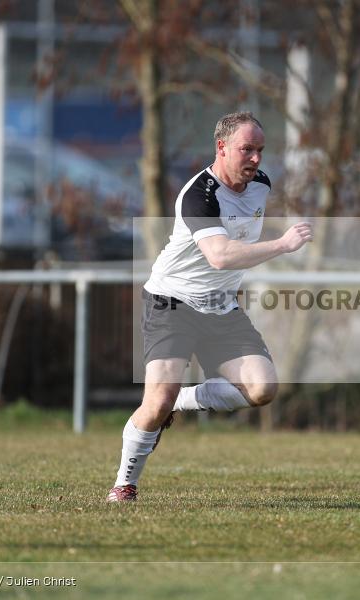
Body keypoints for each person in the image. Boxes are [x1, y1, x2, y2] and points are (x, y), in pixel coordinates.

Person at [107, 112, 313, 501]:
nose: (255, 159)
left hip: (220, 307)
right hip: (172, 305)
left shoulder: (260, 185)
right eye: (246, 150)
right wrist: (283, 245)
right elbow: (219, 256)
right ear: (221, 148)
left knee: (263, 387)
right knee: (155, 403)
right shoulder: (198, 195)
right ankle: (124, 484)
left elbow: (239, 234)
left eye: (260, 151)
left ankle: (181, 400)